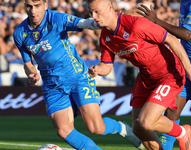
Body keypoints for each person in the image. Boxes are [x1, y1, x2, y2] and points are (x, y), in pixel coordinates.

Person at [13, 0, 145, 150]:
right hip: (52, 85)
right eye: (29, 6)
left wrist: (110, 18)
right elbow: (28, 63)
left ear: (45, 5)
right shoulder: (20, 33)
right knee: (63, 130)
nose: (32, 11)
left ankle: (120, 128)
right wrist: (32, 74)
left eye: (37, 6)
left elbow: (85, 23)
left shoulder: (56, 18)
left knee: (96, 128)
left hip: (77, 77)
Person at [87, 0, 191, 149]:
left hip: (168, 74)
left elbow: (172, 40)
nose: (94, 17)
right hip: (146, 77)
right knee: (138, 128)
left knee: (147, 121)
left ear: (109, 7)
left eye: (97, 11)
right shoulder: (105, 37)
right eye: (91, 13)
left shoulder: (135, 24)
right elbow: (107, 66)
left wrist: (189, 69)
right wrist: (97, 70)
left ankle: (182, 132)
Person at [136, 1, 191, 149]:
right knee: (171, 111)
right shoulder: (186, 2)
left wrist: (157, 21)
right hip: (186, 65)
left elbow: (188, 34)